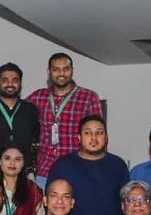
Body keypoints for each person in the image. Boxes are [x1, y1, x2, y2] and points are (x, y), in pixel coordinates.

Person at [27, 53, 103, 185]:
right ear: (49, 72)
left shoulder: (88, 97)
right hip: (45, 172)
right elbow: (14, 109)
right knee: (43, 206)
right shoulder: (37, 97)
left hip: (78, 171)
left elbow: (98, 138)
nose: (61, 73)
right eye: (56, 69)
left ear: (72, 71)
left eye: (66, 69)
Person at [47, 115, 128, 215]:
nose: (93, 138)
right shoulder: (63, 166)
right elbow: (52, 203)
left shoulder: (118, 165)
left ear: (106, 137)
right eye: (88, 133)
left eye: (99, 133)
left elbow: (126, 203)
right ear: (79, 137)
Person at [0, 63, 39, 176]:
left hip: (24, 176)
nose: (10, 84)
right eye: (5, 80)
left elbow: (38, 139)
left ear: (20, 84)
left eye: (15, 80)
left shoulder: (31, 110)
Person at [0, 145, 42, 215]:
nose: (12, 163)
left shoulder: (32, 190)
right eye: (7, 158)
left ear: (23, 163)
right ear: (0, 161)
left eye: (18, 159)